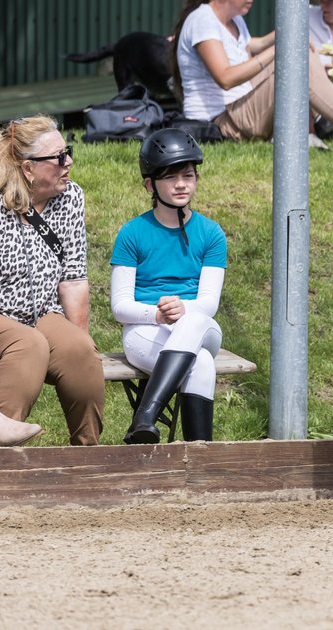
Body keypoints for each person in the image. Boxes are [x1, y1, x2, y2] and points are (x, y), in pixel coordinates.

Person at [0, 116, 103, 445]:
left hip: (40, 313)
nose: (69, 163)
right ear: (28, 168)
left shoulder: (70, 198)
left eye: (68, 152)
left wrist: (78, 336)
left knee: (80, 350)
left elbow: (74, 279)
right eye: (59, 157)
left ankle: (89, 461)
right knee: (27, 343)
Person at [111, 130, 226, 444]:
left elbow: (208, 303)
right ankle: (199, 456)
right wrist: (156, 315)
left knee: (195, 320)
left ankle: (145, 417)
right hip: (145, 331)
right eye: (170, 177)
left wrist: (184, 309)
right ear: (150, 185)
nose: (181, 184)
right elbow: (120, 307)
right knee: (200, 363)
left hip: (200, 326)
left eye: (188, 176)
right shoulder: (132, 233)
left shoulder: (212, 233)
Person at [173, 0, 333, 142]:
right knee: (294, 59)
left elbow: (252, 45)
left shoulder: (235, 21)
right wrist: (282, 49)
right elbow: (225, 78)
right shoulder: (202, 20)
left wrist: (289, 34)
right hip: (220, 122)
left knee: (301, 56)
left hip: (240, 113)